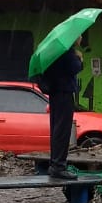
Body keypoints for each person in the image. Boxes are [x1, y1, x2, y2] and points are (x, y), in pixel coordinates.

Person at [41, 35, 84, 180]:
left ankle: (55, 164)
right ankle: (59, 166)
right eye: (79, 36)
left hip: (56, 94)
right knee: (62, 130)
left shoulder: (56, 52)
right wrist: (79, 58)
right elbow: (75, 68)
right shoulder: (67, 53)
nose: (81, 37)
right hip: (63, 94)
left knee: (57, 129)